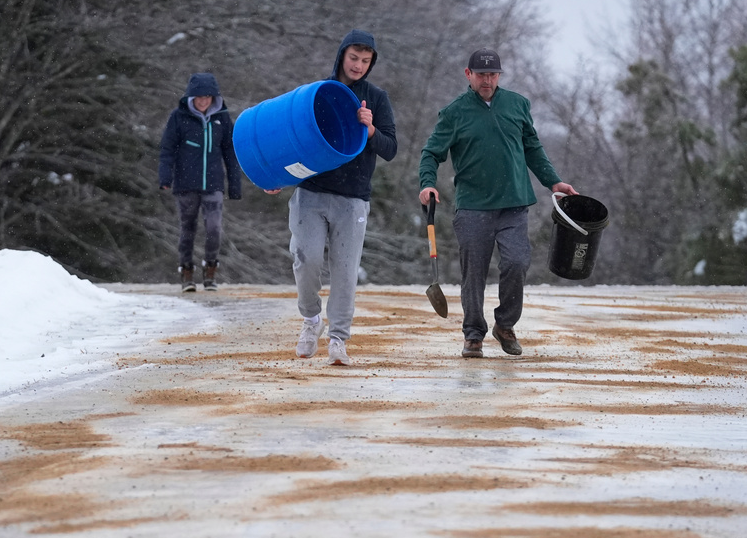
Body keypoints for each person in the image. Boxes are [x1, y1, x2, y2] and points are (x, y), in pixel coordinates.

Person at [418, 48, 577, 359]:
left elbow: (532, 147)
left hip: (514, 203)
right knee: (473, 273)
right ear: (469, 75)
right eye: (481, 74)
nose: (487, 80)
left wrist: (553, 182)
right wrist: (427, 183)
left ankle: (505, 326)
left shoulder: (517, 105)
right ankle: (473, 334)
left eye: (492, 74)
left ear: (500, 75)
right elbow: (430, 153)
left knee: (517, 263)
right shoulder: (454, 112)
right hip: (473, 206)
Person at [270, 29, 397, 366]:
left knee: (344, 271)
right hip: (311, 192)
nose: (358, 65)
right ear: (342, 55)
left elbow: (391, 148)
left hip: (353, 198)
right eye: (353, 58)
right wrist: (277, 176)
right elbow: (293, 140)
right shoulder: (318, 93)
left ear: (371, 64)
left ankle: (339, 338)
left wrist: (370, 129)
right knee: (305, 258)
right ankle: (312, 320)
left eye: (365, 61)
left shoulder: (377, 98)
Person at [159, 72, 241, 292]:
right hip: (185, 183)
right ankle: (186, 272)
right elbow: (167, 149)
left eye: (208, 96)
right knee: (188, 229)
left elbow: (230, 151)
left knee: (214, 228)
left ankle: (210, 269)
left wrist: (234, 184)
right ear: (191, 97)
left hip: (213, 182)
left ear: (214, 97)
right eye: (199, 96)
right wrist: (165, 176)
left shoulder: (221, 118)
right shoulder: (178, 117)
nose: (203, 100)